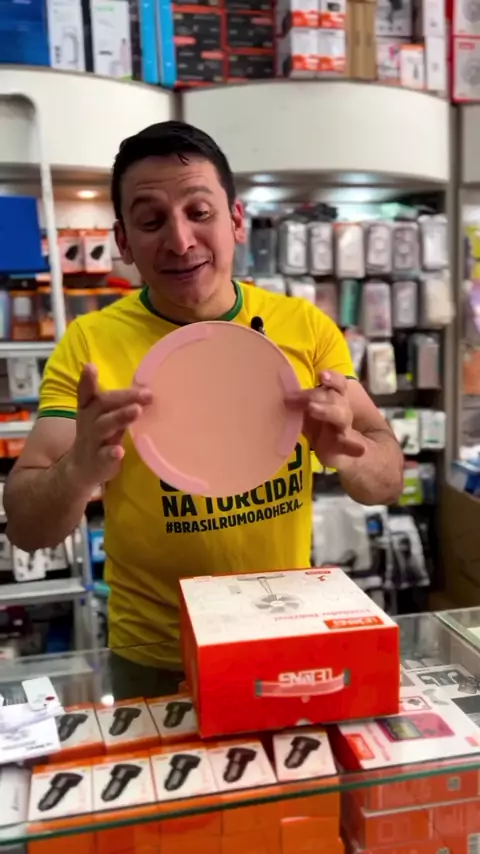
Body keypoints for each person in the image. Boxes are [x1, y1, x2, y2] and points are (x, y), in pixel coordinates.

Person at [4, 121, 403, 698]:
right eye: (151, 221)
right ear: (123, 241)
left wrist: (351, 452)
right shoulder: (90, 345)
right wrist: (79, 469)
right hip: (155, 655)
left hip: (281, 632)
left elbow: (387, 479)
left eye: (200, 212)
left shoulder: (305, 328)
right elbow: (26, 528)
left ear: (235, 220)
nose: (180, 240)